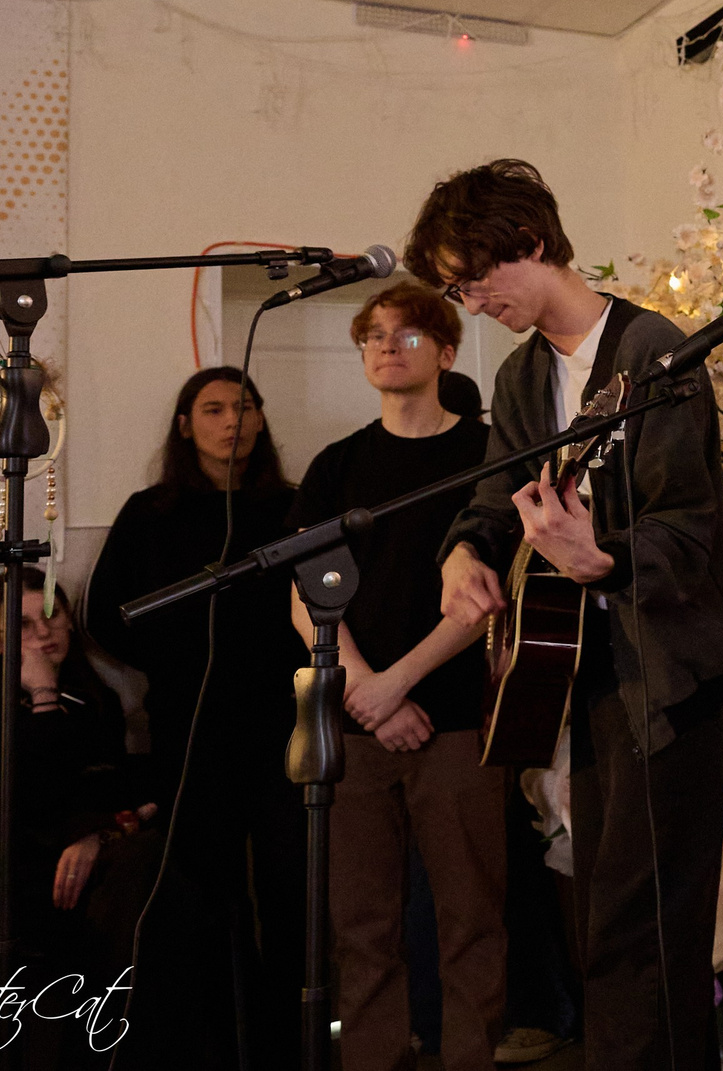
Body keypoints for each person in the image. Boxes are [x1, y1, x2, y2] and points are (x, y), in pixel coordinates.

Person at [406, 158, 723, 1071]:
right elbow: (490, 496)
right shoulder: (523, 380)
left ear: (529, 242)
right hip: (584, 672)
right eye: (453, 287)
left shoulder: (655, 354)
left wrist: (606, 558)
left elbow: (691, 529)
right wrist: (461, 553)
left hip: (671, 673)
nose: (469, 302)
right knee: (601, 910)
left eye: (472, 277)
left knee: (645, 925)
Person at [280, 282, 502, 1071]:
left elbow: (485, 595)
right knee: (359, 923)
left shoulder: (486, 456)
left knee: (470, 918)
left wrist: (396, 684)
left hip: (459, 719)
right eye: (373, 334)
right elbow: (305, 598)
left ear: (446, 351)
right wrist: (366, 692)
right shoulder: (337, 465)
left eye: (407, 334)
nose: (386, 345)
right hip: (354, 715)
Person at [84, 367, 303, 1066]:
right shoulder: (150, 511)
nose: (230, 420)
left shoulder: (291, 508)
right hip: (190, 725)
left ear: (263, 420)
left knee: (288, 882)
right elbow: (104, 613)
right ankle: (211, 1042)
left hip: (281, 723)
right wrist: (175, 662)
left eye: (243, 406)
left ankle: (287, 1044)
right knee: (202, 890)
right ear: (185, 424)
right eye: (212, 408)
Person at [0, 568, 147, 1069]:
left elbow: (107, 791)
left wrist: (98, 833)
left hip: (87, 865)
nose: (44, 632)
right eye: (23, 625)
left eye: (52, 614)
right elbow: (34, 802)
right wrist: (43, 698)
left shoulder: (97, 702)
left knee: (148, 868)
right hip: (2, 871)